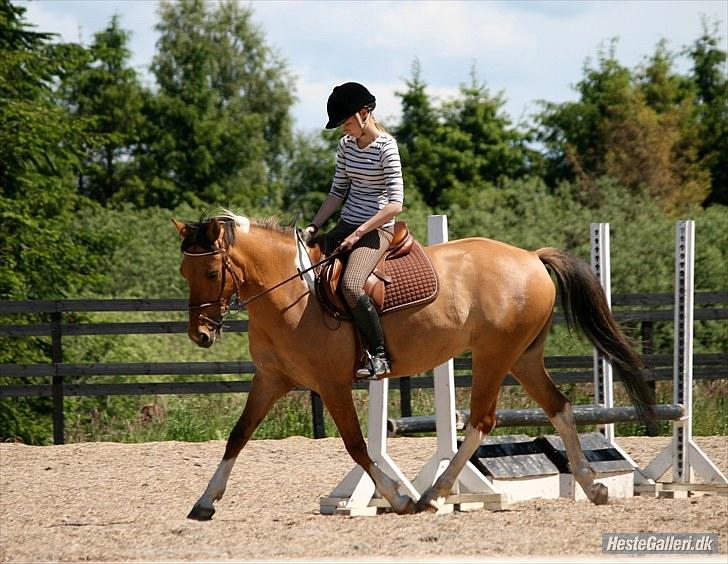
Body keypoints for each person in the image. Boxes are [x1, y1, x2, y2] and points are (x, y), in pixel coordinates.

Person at [301, 82, 404, 380]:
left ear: (364, 113)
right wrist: (314, 226)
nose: (344, 129)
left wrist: (359, 234)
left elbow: (396, 205)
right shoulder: (346, 146)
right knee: (308, 270)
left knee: (350, 285)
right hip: (346, 223)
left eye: (346, 122)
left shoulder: (387, 148)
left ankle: (380, 355)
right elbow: (337, 192)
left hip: (376, 230)